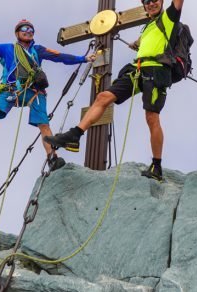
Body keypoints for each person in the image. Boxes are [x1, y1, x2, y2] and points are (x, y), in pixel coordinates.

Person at [44, 0, 185, 180]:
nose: (151, 4)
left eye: (154, 0)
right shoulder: (149, 26)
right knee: (103, 97)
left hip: (156, 71)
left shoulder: (169, 18)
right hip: (138, 69)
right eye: (146, 1)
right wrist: (137, 42)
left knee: (151, 117)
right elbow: (150, 40)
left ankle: (156, 166)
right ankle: (75, 135)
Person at [0, 19, 95, 170]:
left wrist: (83, 58)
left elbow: (59, 57)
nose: (28, 32)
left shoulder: (38, 50)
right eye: (24, 29)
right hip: (12, 89)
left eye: (31, 30)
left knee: (43, 123)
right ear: (17, 33)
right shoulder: (8, 49)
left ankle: (52, 157)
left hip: (34, 91)